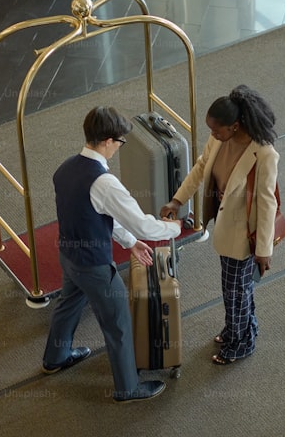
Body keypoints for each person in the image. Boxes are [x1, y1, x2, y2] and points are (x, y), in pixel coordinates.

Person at [43, 106, 182, 403]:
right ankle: (127, 388)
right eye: (120, 142)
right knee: (118, 324)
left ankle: (55, 357)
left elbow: (101, 215)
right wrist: (174, 228)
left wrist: (129, 243)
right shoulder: (104, 182)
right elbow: (142, 223)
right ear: (108, 140)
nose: (120, 147)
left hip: (68, 255)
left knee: (67, 306)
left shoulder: (65, 168)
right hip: (94, 265)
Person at [160, 85, 279, 365]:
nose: (212, 136)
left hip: (242, 235)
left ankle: (241, 343)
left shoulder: (264, 155)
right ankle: (241, 329)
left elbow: (266, 203)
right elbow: (201, 167)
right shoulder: (220, 139)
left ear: (235, 126)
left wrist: (264, 250)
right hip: (226, 227)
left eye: (217, 131)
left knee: (235, 290)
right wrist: (177, 201)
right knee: (236, 287)